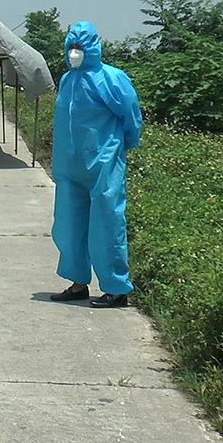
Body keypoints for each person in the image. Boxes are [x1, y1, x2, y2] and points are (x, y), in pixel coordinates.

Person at [48, 21, 143, 308]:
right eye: (71, 47)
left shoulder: (112, 79)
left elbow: (131, 118)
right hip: (70, 166)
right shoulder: (67, 80)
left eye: (80, 47)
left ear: (93, 48)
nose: (75, 52)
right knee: (69, 225)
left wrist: (119, 147)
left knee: (107, 224)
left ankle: (116, 288)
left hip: (103, 162)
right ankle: (78, 283)